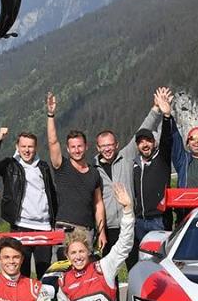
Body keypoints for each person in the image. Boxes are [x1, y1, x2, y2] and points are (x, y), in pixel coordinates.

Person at [94, 88, 165, 254]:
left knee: (133, 264)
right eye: (103, 146)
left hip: (129, 223)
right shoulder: (93, 169)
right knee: (109, 272)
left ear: (116, 145)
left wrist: (155, 109)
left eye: (110, 145)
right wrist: (100, 230)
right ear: (98, 148)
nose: (107, 149)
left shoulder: (126, 157)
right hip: (108, 227)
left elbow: (142, 131)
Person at [0, 129, 58, 278]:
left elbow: (51, 194)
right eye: (23, 146)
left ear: (35, 147)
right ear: (17, 147)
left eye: (30, 146)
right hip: (20, 226)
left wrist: (54, 221)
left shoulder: (43, 167)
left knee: (44, 274)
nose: (27, 150)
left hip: (43, 227)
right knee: (21, 273)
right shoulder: (10, 165)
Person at [46, 93, 107, 252]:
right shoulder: (61, 166)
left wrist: (101, 232)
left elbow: (98, 204)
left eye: (80, 146)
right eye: (73, 147)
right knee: (64, 271)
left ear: (86, 147)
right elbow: (52, 141)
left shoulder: (94, 173)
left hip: (87, 230)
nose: (77, 150)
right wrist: (51, 115)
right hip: (65, 229)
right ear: (68, 149)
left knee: (85, 272)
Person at [129, 88, 175, 269]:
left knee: (161, 263)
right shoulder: (135, 164)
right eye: (140, 142)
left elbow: (167, 140)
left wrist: (166, 115)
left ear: (153, 142)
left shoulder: (162, 158)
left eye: (148, 140)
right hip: (140, 221)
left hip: (159, 220)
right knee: (144, 263)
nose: (144, 144)